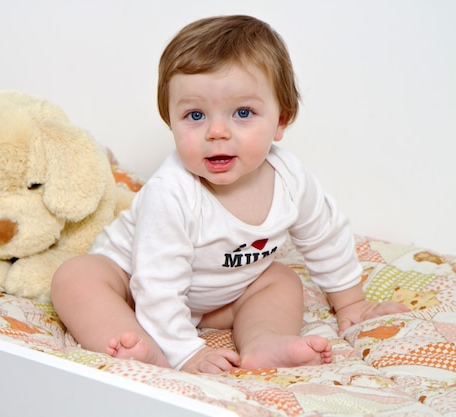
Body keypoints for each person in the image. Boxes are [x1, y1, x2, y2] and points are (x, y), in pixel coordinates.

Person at [51, 14, 409, 374]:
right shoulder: (172, 192)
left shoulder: (290, 180)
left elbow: (325, 237)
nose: (217, 131)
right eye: (195, 115)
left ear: (281, 120)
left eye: (242, 112)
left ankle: (263, 341)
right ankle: (138, 345)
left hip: (217, 301)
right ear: (170, 121)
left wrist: (351, 304)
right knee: (75, 278)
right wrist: (185, 352)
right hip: (132, 285)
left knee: (281, 280)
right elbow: (156, 283)